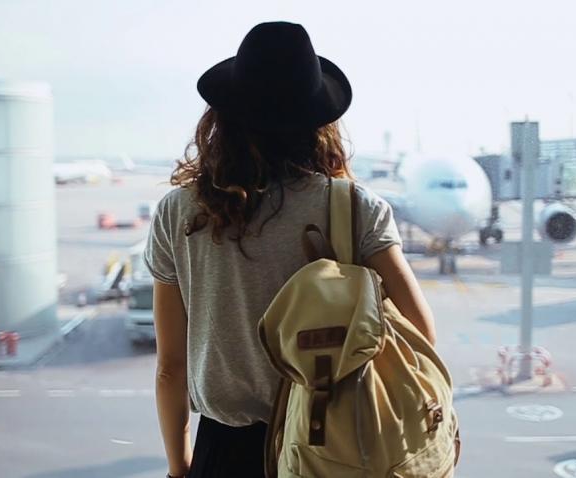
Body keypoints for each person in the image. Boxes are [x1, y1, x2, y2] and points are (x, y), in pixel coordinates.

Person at [143, 21, 437, 478]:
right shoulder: (356, 209)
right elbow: (420, 335)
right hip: (334, 441)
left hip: (224, 448)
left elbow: (170, 368)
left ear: (223, 118)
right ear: (319, 121)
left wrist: (181, 467)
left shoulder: (178, 213)